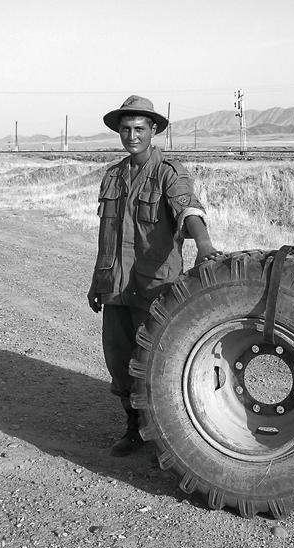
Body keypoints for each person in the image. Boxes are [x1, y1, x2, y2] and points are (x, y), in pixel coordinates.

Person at [87, 95, 218, 457]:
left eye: (140, 129)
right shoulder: (113, 175)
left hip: (156, 289)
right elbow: (106, 236)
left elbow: (188, 209)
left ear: (154, 131)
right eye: (126, 129)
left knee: (161, 365)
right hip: (116, 287)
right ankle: (132, 428)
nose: (132, 135)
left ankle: (166, 437)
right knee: (120, 360)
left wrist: (204, 245)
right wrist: (97, 283)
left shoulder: (169, 174)